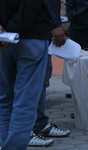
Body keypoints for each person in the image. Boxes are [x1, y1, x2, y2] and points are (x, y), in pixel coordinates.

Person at [0, 0, 51, 149]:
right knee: (25, 101)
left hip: (4, 38)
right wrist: (14, 29)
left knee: (5, 100)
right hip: (31, 36)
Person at [28, 0, 71, 147]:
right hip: (32, 30)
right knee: (27, 84)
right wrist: (54, 23)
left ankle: (40, 124)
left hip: (43, 29)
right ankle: (24, 131)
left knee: (42, 81)